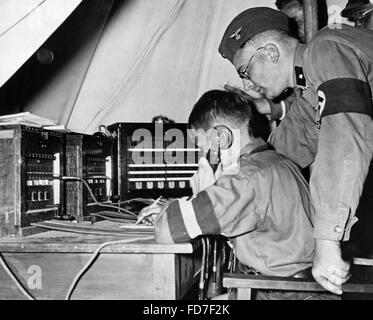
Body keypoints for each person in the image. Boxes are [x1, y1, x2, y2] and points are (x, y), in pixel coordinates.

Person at [218, 6, 373, 295]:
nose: (247, 84)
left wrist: (327, 241)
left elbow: (344, 139)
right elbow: (276, 158)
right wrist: (221, 193)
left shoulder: (326, 48)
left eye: (245, 70)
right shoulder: (309, 88)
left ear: (271, 53)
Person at [138, 89, 340, 300]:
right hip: (288, 288)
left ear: (220, 138)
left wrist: (202, 194)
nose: (202, 156)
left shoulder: (245, 178)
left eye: (201, 146)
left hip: (283, 293)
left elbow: (167, 230)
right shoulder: (275, 161)